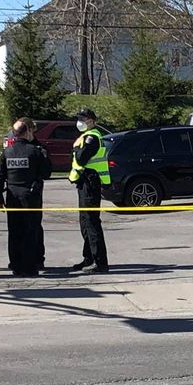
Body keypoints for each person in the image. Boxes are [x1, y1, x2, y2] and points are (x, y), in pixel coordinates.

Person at [0, 118, 52, 276]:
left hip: (12, 196)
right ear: (27, 132)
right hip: (30, 195)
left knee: (14, 231)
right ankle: (30, 265)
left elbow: (0, 177)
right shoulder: (35, 151)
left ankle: (16, 264)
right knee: (31, 230)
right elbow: (46, 173)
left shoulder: (7, 152)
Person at [67, 106, 111, 274]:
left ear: (92, 121)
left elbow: (81, 158)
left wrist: (76, 148)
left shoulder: (92, 137)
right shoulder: (85, 136)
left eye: (83, 120)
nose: (80, 122)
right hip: (83, 182)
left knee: (92, 222)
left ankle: (100, 262)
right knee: (84, 222)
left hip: (90, 182)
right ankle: (89, 258)